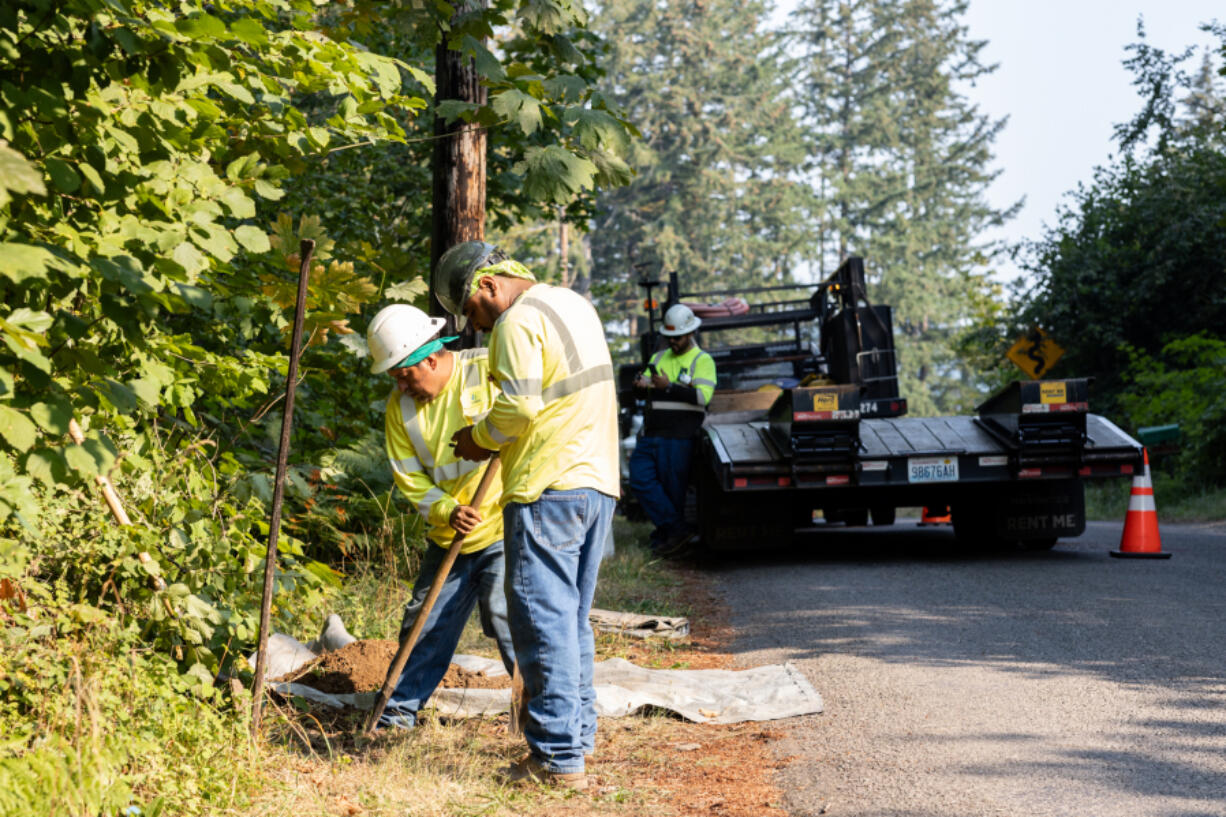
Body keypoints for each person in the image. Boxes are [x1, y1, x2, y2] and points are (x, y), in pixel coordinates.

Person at [433, 242, 619, 791]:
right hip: (596, 485)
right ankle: (575, 742)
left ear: (488, 285)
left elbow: (517, 408)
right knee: (571, 621)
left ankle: (557, 759)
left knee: (541, 621)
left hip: (547, 485)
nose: (476, 326)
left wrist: (477, 439)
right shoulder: (574, 304)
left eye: (470, 311)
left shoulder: (517, 321)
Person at [365, 303, 515, 731]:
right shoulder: (402, 409)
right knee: (424, 623)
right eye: (393, 377)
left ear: (430, 357)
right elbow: (408, 476)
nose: (401, 385)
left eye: (404, 374)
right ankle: (396, 714)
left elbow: (525, 412)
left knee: (508, 617)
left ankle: (536, 713)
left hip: (505, 525)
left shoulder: (487, 369)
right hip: (449, 534)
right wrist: (449, 510)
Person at [629, 303, 717, 556]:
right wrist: (639, 385)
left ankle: (669, 540)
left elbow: (703, 398)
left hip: (679, 438)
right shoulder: (658, 358)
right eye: (669, 338)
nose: (673, 342)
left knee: (672, 492)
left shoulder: (702, 361)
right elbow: (645, 386)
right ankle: (677, 530)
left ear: (690, 333)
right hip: (651, 435)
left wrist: (668, 387)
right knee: (639, 478)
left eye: (677, 337)